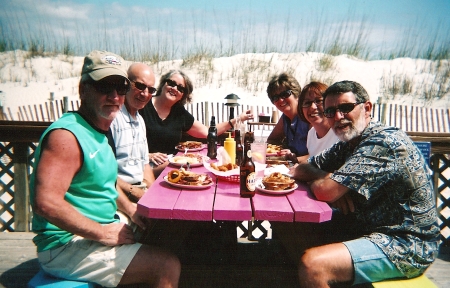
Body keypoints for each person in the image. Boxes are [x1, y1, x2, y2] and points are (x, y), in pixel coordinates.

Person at [29, 50, 180, 287]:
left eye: (120, 88)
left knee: (168, 229)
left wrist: (130, 210)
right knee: (167, 265)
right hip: (66, 245)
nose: (114, 96)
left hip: (100, 225)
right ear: (84, 88)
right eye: (104, 86)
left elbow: (106, 184)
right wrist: (102, 233)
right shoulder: (66, 136)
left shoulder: (96, 132)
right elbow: (45, 202)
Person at [281, 80, 440, 287]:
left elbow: (324, 190)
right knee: (291, 227)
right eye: (330, 111)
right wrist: (329, 180)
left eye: (346, 108)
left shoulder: (382, 142)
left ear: (366, 108)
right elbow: (303, 167)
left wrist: (329, 184)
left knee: (313, 265)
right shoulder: (350, 142)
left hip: (406, 243)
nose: (338, 117)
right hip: (365, 228)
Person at [140, 69, 253, 177]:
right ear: (163, 84)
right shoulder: (142, 104)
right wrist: (147, 155)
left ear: (183, 95)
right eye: (171, 83)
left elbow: (207, 132)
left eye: (180, 88)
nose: (175, 88)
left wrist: (238, 118)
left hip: (170, 164)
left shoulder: (179, 113)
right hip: (145, 166)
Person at [109, 63, 156, 202]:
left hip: (139, 189)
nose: (145, 93)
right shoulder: (112, 118)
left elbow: (145, 165)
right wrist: (134, 193)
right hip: (118, 195)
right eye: (140, 86)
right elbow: (105, 175)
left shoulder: (140, 121)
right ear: (126, 84)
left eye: (151, 89)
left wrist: (153, 195)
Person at [266, 73, 310, 163]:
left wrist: (294, 157)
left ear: (296, 94)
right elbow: (272, 140)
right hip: (294, 166)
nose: (281, 100)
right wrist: (281, 150)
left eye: (285, 94)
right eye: (275, 97)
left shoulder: (308, 115)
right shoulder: (285, 118)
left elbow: (321, 154)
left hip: (312, 169)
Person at [297, 81, 339, 159]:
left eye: (319, 101)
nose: (313, 107)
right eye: (307, 103)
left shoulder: (339, 134)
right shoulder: (311, 134)